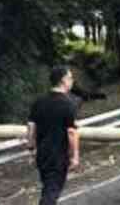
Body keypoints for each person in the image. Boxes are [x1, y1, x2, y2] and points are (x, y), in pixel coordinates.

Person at [27, 66, 80, 205]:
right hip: (58, 156)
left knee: (48, 188)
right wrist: (75, 156)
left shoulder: (39, 101)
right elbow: (71, 132)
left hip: (42, 155)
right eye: (70, 78)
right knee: (51, 192)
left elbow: (31, 126)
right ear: (63, 80)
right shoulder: (68, 104)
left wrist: (31, 148)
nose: (72, 81)